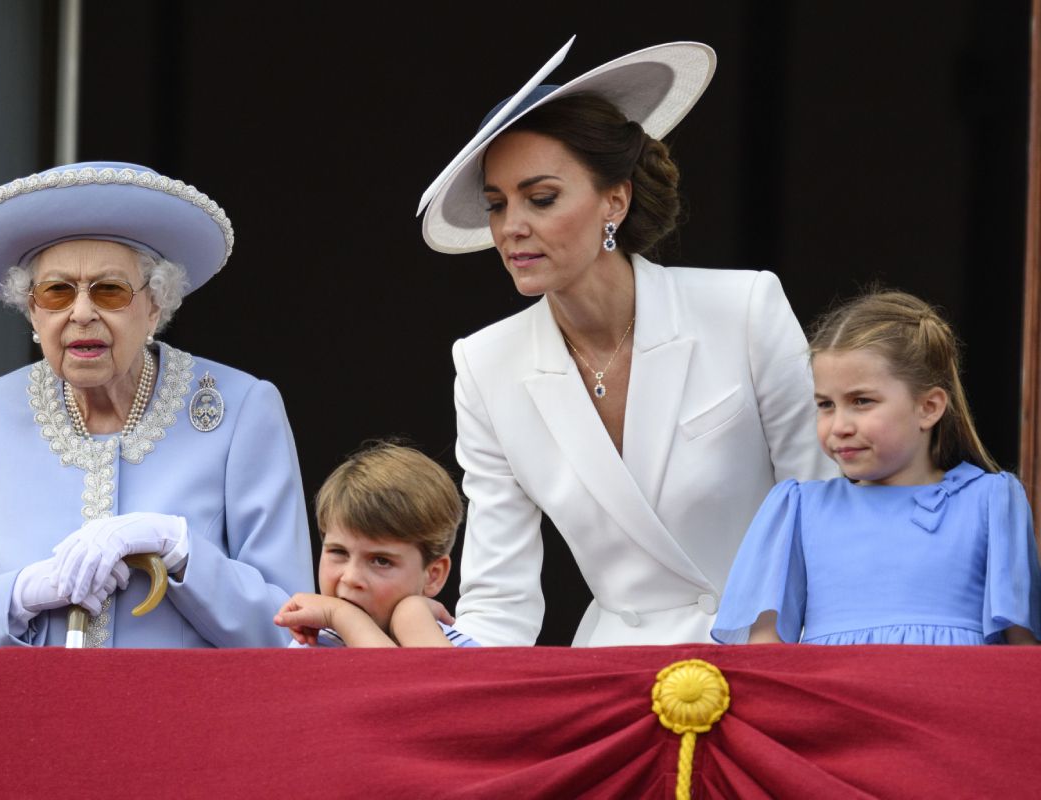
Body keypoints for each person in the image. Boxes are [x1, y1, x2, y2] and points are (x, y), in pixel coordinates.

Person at [417, 39, 835, 647]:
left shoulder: (743, 308)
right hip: (616, 676)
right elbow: (499, 600)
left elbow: (820, 513)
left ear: (615, 198)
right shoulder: (484, 366)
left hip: (770, 654)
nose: (512, 227)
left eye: (541, 198)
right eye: (497, 205)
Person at [0, 161, 314, 648]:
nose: (81, 313)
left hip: (186, 721)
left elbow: (294, 635)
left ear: (155, 306)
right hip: (28, 722)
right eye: (56, 292)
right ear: (32, 311)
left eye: (110, 290)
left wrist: (180, 550)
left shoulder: (242, 410)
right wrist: (21, 595)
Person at [712, 290, 1041, 645]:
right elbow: (765, 650)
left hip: (953, 698)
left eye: (861, 401)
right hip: (833, 699)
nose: (839, 425)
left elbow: (1022, 653)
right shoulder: (797, 509)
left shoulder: (991, 501)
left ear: (928, 407)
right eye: (825, 404)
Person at [274, 441, 479, 647]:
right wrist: (344, 616)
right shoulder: (312, 646)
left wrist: (412, 621)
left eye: (381, 561)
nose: (351, 578)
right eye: (338, 552)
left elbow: (425, 679)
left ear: (433, 575)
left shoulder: (461, 650)